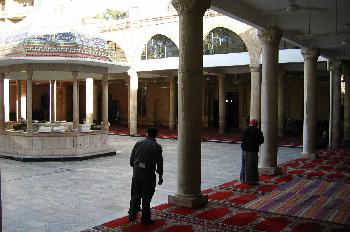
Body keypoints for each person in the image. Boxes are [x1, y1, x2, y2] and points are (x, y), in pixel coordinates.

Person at [128, 127, 163, 225]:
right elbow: (159, 163)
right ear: (155, 135)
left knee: (135, 193)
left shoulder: (139, 143)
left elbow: (132, 158)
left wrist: (135, 167)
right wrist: (160, 176)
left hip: (137, 172)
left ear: (147, 134)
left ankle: (132, 215)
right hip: (148, 173)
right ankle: (145, 219)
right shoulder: (157, 146)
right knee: (146, 196)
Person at [240, 119, 264, 185]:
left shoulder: (246, 130)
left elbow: (242, 139)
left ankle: (243, 179)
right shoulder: (258, 131)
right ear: (256, 124)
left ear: (250, 123)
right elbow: (261, 141)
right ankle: (251, 180)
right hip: (254, 150)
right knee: (253, 165)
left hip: (245, 150)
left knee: (245, 164)